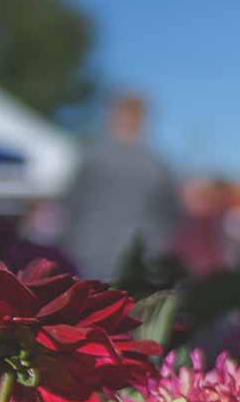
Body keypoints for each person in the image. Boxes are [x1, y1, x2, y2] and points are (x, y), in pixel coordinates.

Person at [58, 91, 179, 281]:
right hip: (140, 259)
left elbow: (69, 203)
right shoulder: (158, 165)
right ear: (143, 120)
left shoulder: (90, 155)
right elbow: (172, 214)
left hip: (86, 254)